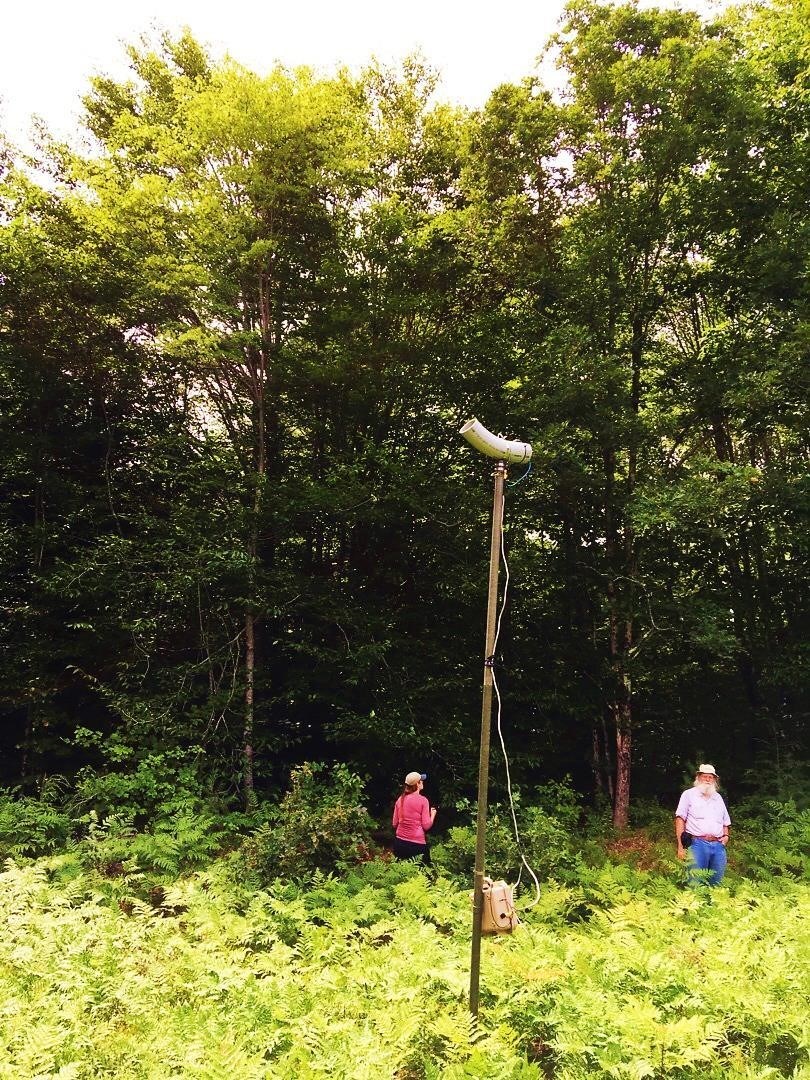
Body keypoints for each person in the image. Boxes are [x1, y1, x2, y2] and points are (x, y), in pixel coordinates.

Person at [675, 764, 731, 885]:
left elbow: (725, 821)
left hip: (718, 846)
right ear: (698, 777)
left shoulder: (718, 798)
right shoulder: (688, 795)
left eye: (710, 777)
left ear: (714, 780)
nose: (707, 779)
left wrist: (726, 836)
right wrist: (680, 847)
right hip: (696, 844)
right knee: (694, 883)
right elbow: (680, 819)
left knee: (716, 885)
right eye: (704, 776)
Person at [392, 771, 437, 864]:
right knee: (425, 875)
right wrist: (432, 815)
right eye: (421, 780)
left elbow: (394, 823)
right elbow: (426, 826)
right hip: (416, 846)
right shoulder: (423, 800)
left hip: (399, 843)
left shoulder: (400, 799)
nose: (423, 782)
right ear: (417, 784)